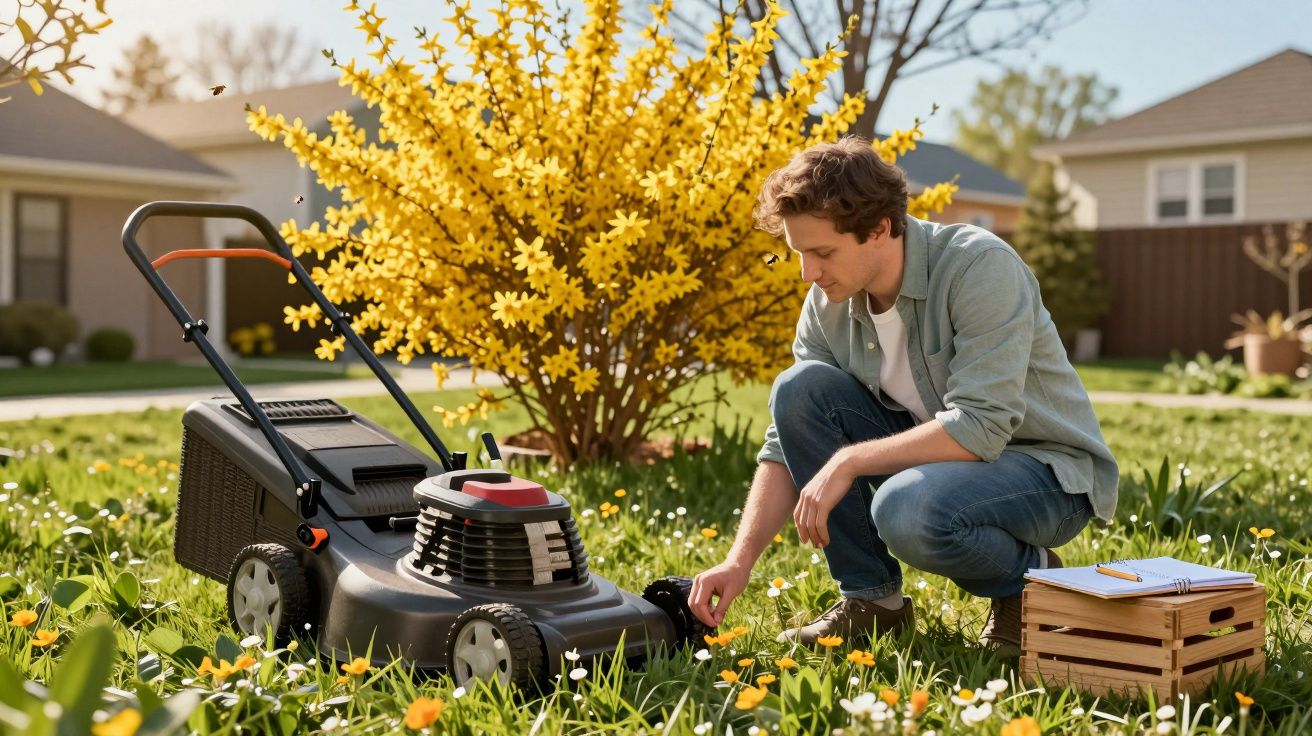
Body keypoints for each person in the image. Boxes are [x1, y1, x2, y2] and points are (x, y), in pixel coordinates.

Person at [687, 135, 1119, 656]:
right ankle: (874, 603)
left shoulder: (977, 267)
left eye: (822, 252)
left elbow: (981, 427)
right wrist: (739, 561)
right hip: (943, 463)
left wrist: (849, 461)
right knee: (799, 390)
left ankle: (1029, 582)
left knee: (906, 508)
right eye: (799, 254)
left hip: (1042, 472)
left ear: (879, 229)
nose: (809, 272)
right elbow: (787, 441)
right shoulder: (826, 303)